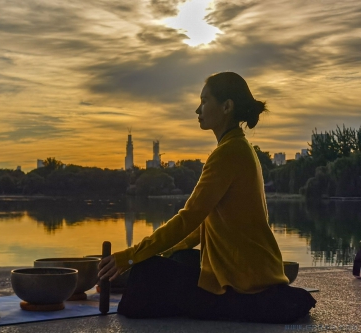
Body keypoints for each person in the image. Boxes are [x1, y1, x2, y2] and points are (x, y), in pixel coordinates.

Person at [98, 72, 316, 323]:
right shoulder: (238, 147)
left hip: (241, 281)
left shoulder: (228, 153)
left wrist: (130, 256)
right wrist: (164, 252)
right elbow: (203, 224)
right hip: (243, 269)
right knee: (175, 259)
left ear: (226, 106)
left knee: (145, 272)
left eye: (204, 101)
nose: (197, 109)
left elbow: (188, 218)